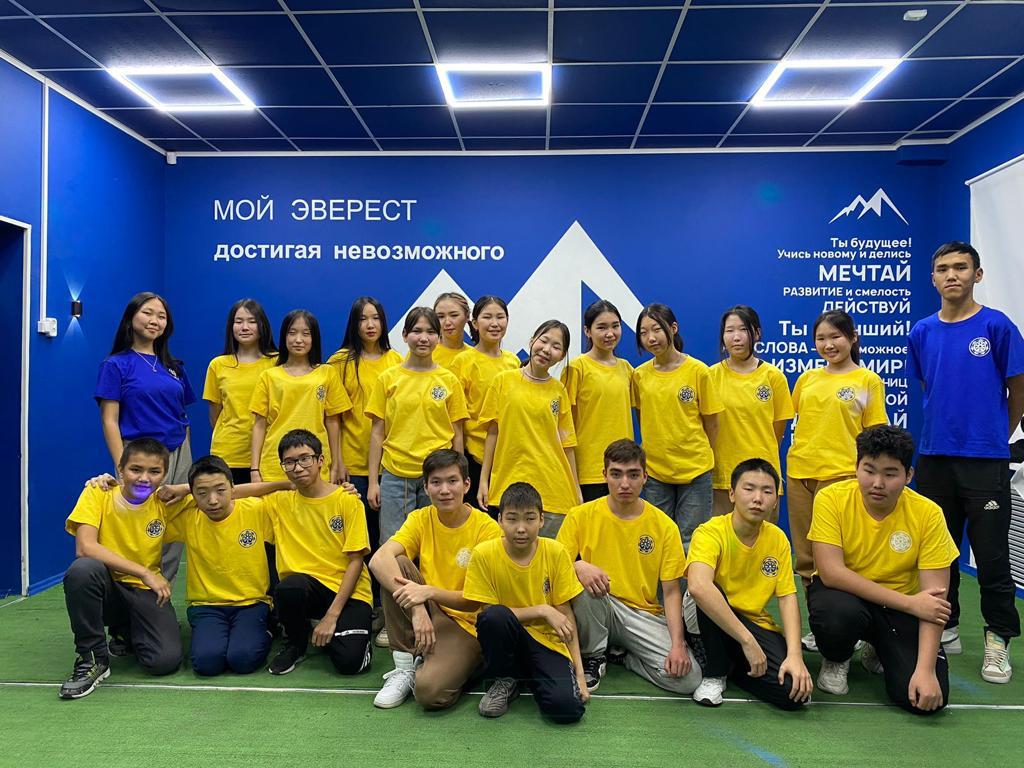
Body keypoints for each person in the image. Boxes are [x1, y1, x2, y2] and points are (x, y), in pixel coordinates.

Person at [907, 241, 1024, 682]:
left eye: (960, 267)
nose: (951, 275)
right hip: (935, 457)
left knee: (992, 556)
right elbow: (930, 387)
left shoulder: (997, 326)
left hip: (985, 461)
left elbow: (1018, 390)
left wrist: (994, 436)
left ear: (978, 274)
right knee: (938, 551)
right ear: (933, 278)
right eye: (943, 269)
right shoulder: (922, 331)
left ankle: (998, 638)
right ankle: (947, 624)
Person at [807, 425, 959, 714]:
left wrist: (926, 670)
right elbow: (831, 572)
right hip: (849, 599)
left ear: (908, 475)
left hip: (900, 610)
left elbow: (934, 601)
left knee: (922, 701)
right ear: (856, 467)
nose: (877, 483)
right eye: (869, 470)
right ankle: (837, 657)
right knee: (834, 612)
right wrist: (910, 603)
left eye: (890, 474)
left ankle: (878, 649)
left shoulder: (928, 514)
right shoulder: (831, 498)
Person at [557, 439, 702, 695]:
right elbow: (554, 567)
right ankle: (593, 656)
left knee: (688, 679)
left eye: (633, 475)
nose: (625, 483)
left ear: (645, 477)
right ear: (604, 475)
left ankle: (625, 657)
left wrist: (678, 644)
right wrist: (578, 565)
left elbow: (671, 593)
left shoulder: (665, 526)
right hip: (600, 604)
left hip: (642, 614)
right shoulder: (579, 515)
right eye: (616, 474)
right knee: (579, 582)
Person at [368, 449, 502, 709]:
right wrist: (418, 607)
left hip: (466, 624)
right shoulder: (421, 518)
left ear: (467, 484)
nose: (445, 490)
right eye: (436, 482)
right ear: (426, 487)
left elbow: (476, 600)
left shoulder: (487, 530)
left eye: (452, 481)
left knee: (429, 693)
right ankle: (405, 666)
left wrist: (428, 592)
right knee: (396, 563)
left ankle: (460, 663)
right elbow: (378, 560)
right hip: (429, 610)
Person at [787, 310, 887, 653]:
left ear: (852, 338)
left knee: (840, 560)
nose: (828, 344)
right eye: (821, 338)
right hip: (800, 475)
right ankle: (820, 627)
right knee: (805, 560)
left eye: (835, 337)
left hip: (841, 478)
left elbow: (875, 438)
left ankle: (852, 627)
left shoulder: (868, 380)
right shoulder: (807, 379)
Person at [59, 438, 186, 699]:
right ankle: (92, 659)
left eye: (154, 471)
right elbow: (85, 547)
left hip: (143, 593)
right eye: (135, 469)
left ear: (165, 475)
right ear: (120, 469)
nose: (144, 478)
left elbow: (226, 492)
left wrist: (184, 487)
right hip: (109, 585)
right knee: (82, 570)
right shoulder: (98, 492)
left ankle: (126, 631)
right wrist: (145, 572)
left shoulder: (166, 502)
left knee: (164, 662)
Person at [686, 459, 813, 709]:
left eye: (767, 491)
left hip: (753, 622)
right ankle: (715, 673)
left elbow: (787, 598)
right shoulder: (710, 532)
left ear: (775, 501)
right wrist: (747, 642)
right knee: (709, 591)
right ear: (732, 494)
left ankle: (732, 665)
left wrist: (795, 655)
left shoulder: (778, 539)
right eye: (749, 489)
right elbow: (698, 586)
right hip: (710, 618)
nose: (758, 498)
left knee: (792, 694)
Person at [462, 482, 588, 723]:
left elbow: (565, 616)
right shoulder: (484, 554)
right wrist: (542, 610)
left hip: (547, 641)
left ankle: (529, 675)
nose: (521, 528)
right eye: (512, 519)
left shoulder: (556, 552)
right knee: (494, 617)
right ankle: (505, 678)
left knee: (567, 710)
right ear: (500, 520)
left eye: (530, 519)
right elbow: (488, 613)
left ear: (541, 520)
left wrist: (580, 675)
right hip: (507, 638)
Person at [96, 292, 196, 583]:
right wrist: (122, 466)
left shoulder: (174, 367)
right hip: (139, 456)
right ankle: (135, 591)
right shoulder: (116, 365)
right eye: (147, 313)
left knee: (173, 524)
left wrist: (186, 452)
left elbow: (183, 414)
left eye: (161, 316)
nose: (155, 321)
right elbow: (109, 420)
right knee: (139, 525)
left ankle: (163, 591)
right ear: (131, 318)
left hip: (178, 453)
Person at [264, 429, 374, 676]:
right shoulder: (279, 502)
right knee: (289, 588)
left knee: (350, 663)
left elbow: (356, 562)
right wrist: (285, 484)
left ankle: (332, 628)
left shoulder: (347, 500)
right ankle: (296, 643)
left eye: (305, 459)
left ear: (321, 460)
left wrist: (332, 617)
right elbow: (230, 493)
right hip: (308, 588)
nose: (298, 467)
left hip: (349, 591)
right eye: (289, 462)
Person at [366, 307, 469, 549]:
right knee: (392, 547)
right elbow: (377, 432)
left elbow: (457, 434)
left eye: (431, 332)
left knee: (435, 546)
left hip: (438, 476)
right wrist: (373, 482)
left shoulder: (449, 380)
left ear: (439, 337)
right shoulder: (388, 379)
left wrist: (458, 477)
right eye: (416, 331)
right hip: (395, 474)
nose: (424, 338)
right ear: (404, 335)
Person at [165, 455, 277, 677]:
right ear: (192, 494)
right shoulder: (188, 517)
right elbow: (146, 505)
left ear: (233, 487)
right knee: (206, 664)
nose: (213, 500)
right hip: (206, 605)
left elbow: (299, 499)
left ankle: (268, 629)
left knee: (243, 660)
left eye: (220, 490)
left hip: (251, 603)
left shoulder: (256, 509)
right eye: (202, 493)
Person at [327, 297, 402, 615]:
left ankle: (384, 608)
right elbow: (332, 417)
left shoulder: (396, 360)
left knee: (386, 540)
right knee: (357, 541)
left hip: (389, 467)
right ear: (353, 324)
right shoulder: (340, 361)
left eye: (375, 318)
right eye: (362, 319)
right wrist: (337, 461)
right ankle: (358, 603)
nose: (370, 325)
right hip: (352, 465)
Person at [478, 320, 581, 536]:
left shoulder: (559, 391)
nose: (547, 349)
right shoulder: (503, 381)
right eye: (544, 341)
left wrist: (576, 490)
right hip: (508, 484)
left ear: (562, 356)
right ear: (532, 340)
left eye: (556, 346)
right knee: (509, 553)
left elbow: (567, 445)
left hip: (553, 490)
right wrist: (483, 481)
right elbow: (492, 433)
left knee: (549, 555)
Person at [632, 303, 722, 548]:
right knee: (657, 541)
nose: (651, 338)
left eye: (657, 329)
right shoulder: (639, 375)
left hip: (695, 472)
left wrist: (700, 456)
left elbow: (712, 424)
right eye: (643, 333)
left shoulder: (699, 371)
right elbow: (643, 418)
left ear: (673, 328)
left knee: (691, 543)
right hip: (656, 473)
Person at [708, 306, 793, 519]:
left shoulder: (774, 377)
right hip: (722, 477)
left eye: (743, 330)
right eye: (729, 331)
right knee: (721, 537)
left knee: (763, 538)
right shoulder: (710, 376)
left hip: (762, 476)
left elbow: (777, 432)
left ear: (756, 333)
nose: (736, 337)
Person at [250, 309, 351, 484]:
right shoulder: (269, 376)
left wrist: (336, 464)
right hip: (275, 465)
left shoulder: (327, 373)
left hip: (315, 463)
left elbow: (333, 422)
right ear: (284, 337)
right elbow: (259, 425)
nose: (298, 339)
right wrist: (254, 469)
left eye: (306, 334)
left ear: (314, 338)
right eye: (292, 333)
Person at [561, 300, 635, 503]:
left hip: (625, 468)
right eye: (601, 327)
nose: (610, 333)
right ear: (587, 331)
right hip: (589, 471)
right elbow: (564, 425)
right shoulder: (576, 368)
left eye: (615, 326)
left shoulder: (626, 369)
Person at [450, 295, 519, 506]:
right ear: (475, 323)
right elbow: (455, 417)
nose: (494, 323)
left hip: (507, 457)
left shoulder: (513, 362)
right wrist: (460, 462)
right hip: (474, 457)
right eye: (487, 317)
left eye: (500, 317)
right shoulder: (463, 361)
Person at [203, 299, 278, 485]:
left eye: (252, 321)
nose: (245, 327)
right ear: (231, 326)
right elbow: (215, 415)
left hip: (268, 453)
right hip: (228, 453)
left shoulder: (277, 362)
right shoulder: (218, 365)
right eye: (238, 321)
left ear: (262, 326)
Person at [433, 292, 472, 370]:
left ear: (467, 316)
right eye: (441, 316)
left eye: (454, 315)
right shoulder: (423, 353)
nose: (447, 322)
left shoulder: (474, 356)